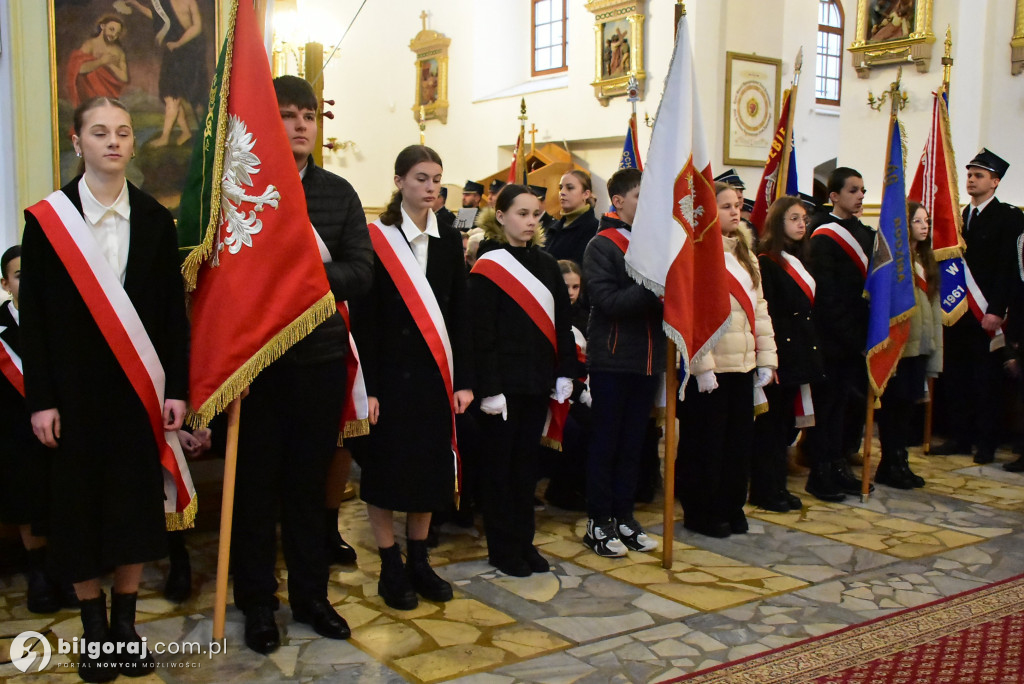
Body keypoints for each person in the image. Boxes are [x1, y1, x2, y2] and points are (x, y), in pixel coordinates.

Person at [20, 97, 190, 680]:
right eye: (99, 132)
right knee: (78, 513)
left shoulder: (155, 219)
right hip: (71, 398)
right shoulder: (49, 221)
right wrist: (41, 400)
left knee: (131, 513)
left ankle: (125, 627)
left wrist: (177, 390)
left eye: (122, 132)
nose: (113, 141)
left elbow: (171, 316)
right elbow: (35, 319)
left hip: (137, 395)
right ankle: (94, 631)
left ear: (131, 143)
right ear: (78, 142)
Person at [228, 76, 372, 655]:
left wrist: (298, 277)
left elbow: (361, 271)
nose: (301, 125)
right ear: (268, 122)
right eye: (288, 115)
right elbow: (228, 278)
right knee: (256, 491)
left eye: (309, 115)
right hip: (258, 366)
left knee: (310, 491)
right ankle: (258, 602)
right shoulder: (242, 192)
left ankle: (312, 597)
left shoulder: (339, 193)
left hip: (320, 360)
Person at [350, 145, 474, 610]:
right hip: (388, 378)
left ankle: (419, 560)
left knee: (428, 472)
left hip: (434, 377)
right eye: (421, 178)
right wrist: (369, 387)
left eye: (437, 179)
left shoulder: (449, 241)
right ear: (399, 181)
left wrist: (464, 380)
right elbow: (364, 319)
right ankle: (390, 563)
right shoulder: (376, 238)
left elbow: (460, 314)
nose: (431, 187)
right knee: (384, 473)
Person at [469, 185, 575, 575]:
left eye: (536, 215)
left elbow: (562, 322)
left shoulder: (547, 264)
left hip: (537, 381)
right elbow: (481, 333)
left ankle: (524, 541)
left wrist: (565, 371)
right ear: (501, 217)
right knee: (500, 468)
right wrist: (490, 388)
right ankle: (502, 547)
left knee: (526, 467)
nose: (531, 222)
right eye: (522, 214)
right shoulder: (488, 266)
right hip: (503, 387)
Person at [677, 183, 777, 538]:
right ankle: (701, 510)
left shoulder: (746, 254)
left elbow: (759, 309)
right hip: (712, 368)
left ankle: (731, 505)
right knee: (707, 443)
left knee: (738, 442)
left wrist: (766, 359)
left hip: (743, 365)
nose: (736, 211)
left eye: (738, 205)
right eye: (726, 206)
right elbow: (691, 315)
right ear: (708, 211)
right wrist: (701, 367)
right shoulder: (696, 253)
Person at [581, 168, 664, 556]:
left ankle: (624, 516)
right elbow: (608, 302)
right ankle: (599, 520)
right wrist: (653, 287)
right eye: (639, 197)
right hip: (613, 359)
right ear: (618, 201)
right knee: (607, 443)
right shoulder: (602, 246)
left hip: (648, 360)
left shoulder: (654, 244)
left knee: (634, 444)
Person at [932, 149, 1024, 464]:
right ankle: (960, 437)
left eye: (979, 175)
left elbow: (1008, 269)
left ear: (995, 182)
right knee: (956, 377)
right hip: (957, 311)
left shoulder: (1009, 217)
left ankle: (986, 443)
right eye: (969, 174)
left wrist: (997, 309)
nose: (971, 180)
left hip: (987, 313)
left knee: (986, 382)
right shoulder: (958, 218)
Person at [0, 246, 70, 615]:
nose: (26, 282)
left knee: (63, 496)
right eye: (18, 275)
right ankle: (38, 572)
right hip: (13, 432)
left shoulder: (59, 317)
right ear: (5, 283)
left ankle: (65, 568)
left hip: (60, 426)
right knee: (26, 495)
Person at [803, 167, 876, 502]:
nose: (860, 196)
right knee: (827, 407)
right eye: (853, 190)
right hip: (832, 338)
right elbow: (827, 296)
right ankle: (820, 471)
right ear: (834, 196)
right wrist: (851, 335)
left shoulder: (866, 234)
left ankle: (839, 464)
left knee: (846, 406)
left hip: (859, 337)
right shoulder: (822, 235)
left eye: (862, 190)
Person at [751, 197, 823, 512]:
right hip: (779, 352)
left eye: (804, 219)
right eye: (793, 218)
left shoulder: (801, 259)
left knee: (785, 426)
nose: (801, 224)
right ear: (778, 222)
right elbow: (768, 311)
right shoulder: (767, 261)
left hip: (799, 352)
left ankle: (778, 485)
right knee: (770, 427)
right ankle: (765, 489)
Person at [875, 202, 942, 488]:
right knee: (894, 407)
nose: (924, 226)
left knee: (907, 410)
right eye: (917, 221)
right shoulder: (899, 263)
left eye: (926, 221)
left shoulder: (926, 260)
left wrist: (935, 347)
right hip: (901, 347)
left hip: (921, 345)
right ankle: (889, 463)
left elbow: (933, 307)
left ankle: (901, 461)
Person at [125, 0, 207, 148]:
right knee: (170, 95)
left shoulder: (189, 1)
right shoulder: (164, 2)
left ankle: (165, 137)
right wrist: (136, 5)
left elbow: (197, 27)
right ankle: (186, 132)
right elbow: (157, 15)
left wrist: (178, 43)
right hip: (171, 52)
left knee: (172, 98)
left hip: (187, 52)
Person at [65, 15, 128, 107]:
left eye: (117, 33)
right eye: (111, 29)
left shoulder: (118, 51)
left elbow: (124, 77)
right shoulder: (90, 44)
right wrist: (101, 61)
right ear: (103, 26)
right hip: (89, 95)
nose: (114, 35)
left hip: (110, 96)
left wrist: (110, 65)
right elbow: (79, 69)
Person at [544, 170, 599, 266]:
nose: (562, 192)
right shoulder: (554, 226)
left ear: (586, 194)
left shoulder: (594, 228)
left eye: (570, 188)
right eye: (560, 188)